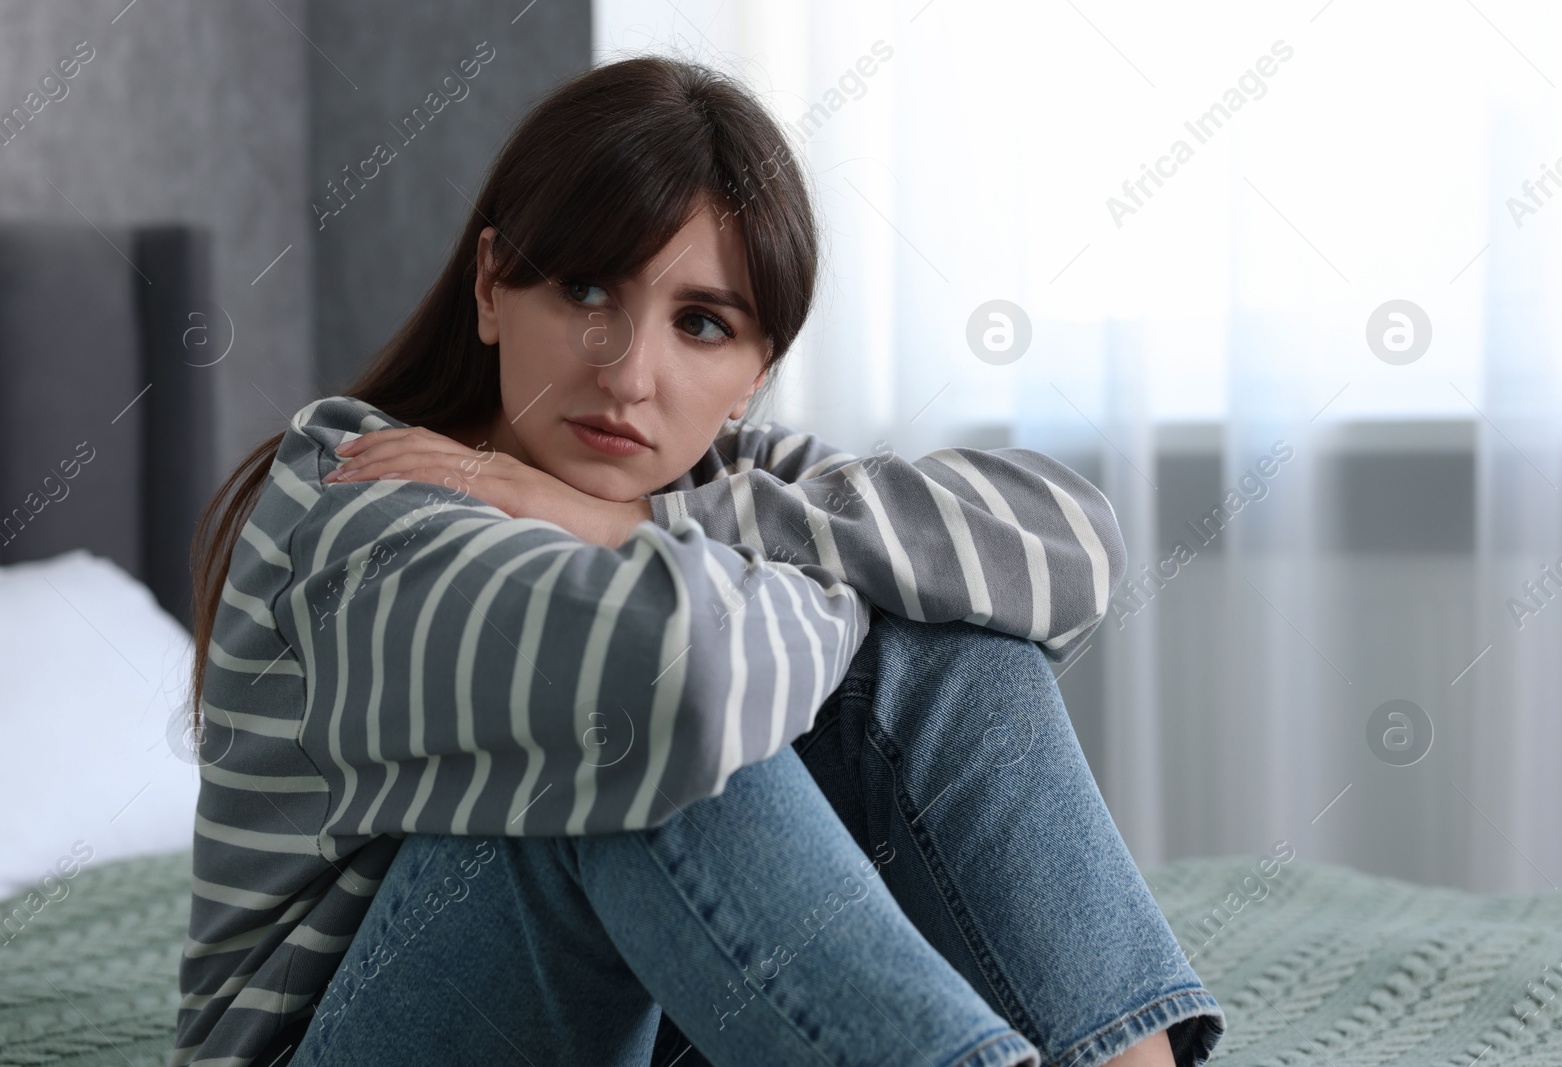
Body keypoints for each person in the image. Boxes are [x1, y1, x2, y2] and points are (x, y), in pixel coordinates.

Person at [173, 55, 1224, 1067]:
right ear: (492, 286)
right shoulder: (364, 492)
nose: (630, 374)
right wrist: (851, 588)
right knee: (628, 739)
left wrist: (639, 528)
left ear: (755, 373)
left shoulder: (716, 486)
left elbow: (1070, 543)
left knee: (956, 641)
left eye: (702, 323)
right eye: (585, 289)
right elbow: (686, 680)